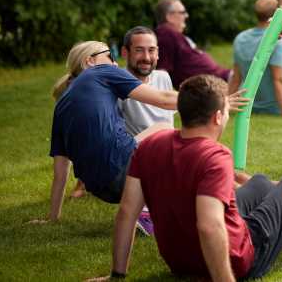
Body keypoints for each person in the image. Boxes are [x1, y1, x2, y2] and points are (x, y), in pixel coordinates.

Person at [88, 75, 282, 281]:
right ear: (219, 116)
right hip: (240, 258)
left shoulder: (152, 145)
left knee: (258, 183)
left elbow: (127, 212)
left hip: (180, 262)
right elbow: (209, 226)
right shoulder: (213, 156)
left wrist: (118, 275)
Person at [36, 41, 178, 222]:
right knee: (164, 127)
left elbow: (60, 173)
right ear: (90, 62)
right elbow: (164, 99)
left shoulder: (60, 107)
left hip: (103, 190)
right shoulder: (101, 71)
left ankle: (145, 206)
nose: (116, 64)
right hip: (123, 169)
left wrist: (52, 218)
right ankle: (147, 210)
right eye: (110, 56)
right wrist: (211, 100)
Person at [154, 0, 231, 88]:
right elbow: (162, 72)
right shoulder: (165, 35)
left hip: (221, 80)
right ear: (169, 17)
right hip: (213, 87)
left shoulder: (173, 35)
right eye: (182, 12)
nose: (186, 15)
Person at [118, 26, 175, 136]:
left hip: (169, 147)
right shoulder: (118, 83)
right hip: (140, 150)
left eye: (151, 50)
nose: (147, 58)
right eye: (139, 50)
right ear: (125, 52)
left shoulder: (163, 77)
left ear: (157, 53)